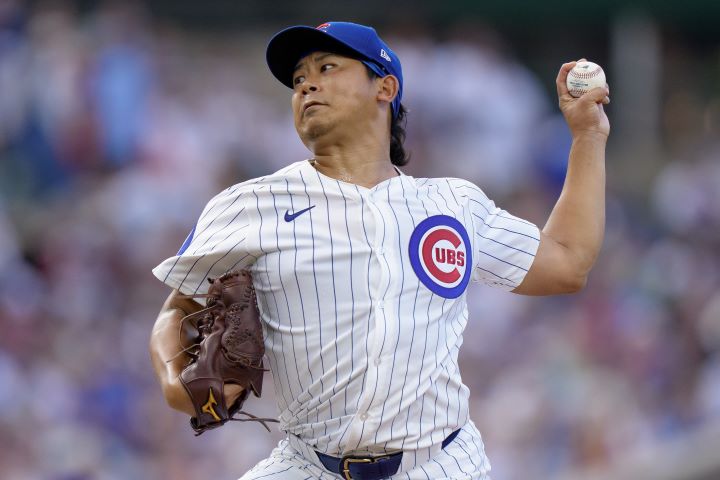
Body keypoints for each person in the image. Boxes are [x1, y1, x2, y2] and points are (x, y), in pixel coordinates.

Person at [149, 21, 610, 480]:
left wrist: (588, 137)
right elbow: (179, 306)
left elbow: (567, 262)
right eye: (298, 78)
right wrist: (175, 381)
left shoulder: (452, 203)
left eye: (327, 67)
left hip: (439, 464)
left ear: (384, 88)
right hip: (307, 464)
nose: (307, 84)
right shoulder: (251, 204)